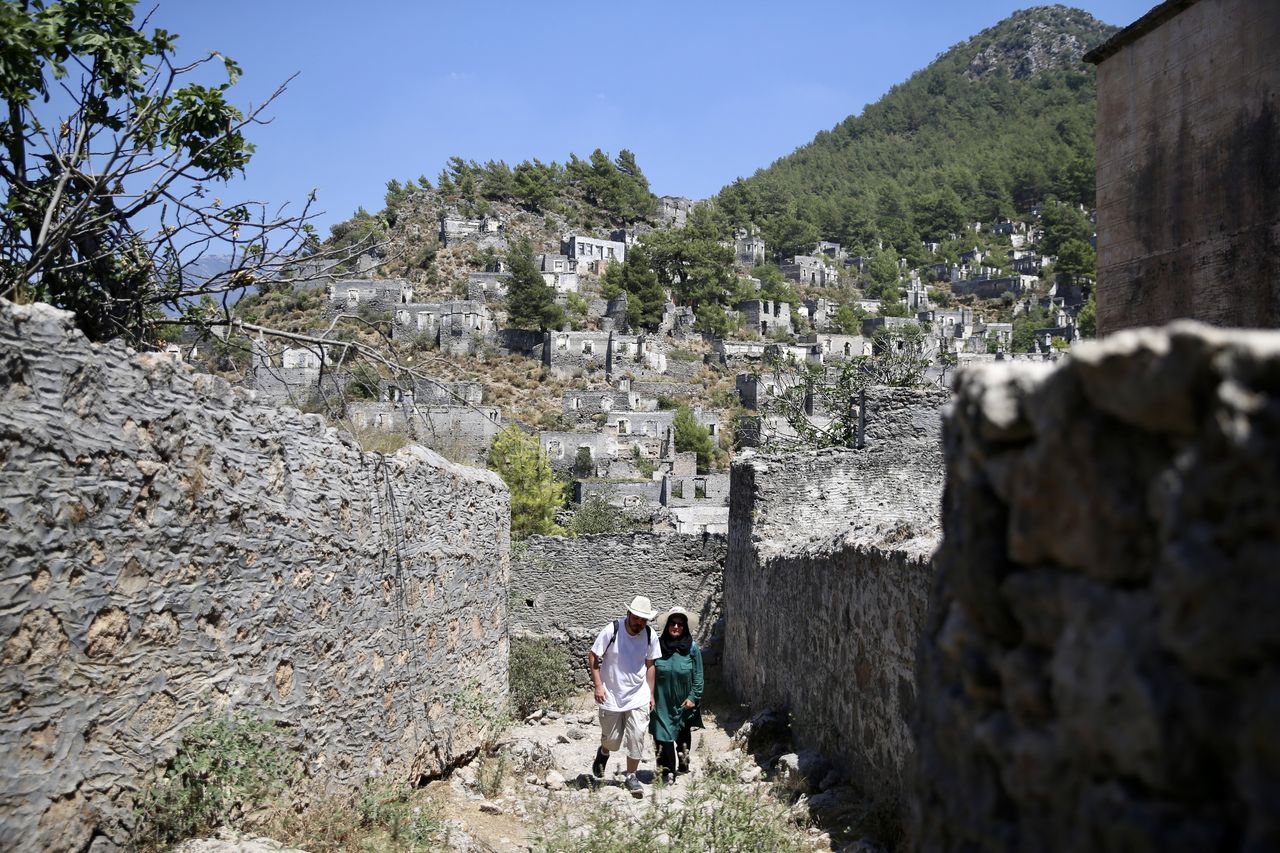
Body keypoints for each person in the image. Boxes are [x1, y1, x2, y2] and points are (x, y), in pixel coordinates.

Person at [588, 595, 661, 798]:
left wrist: (651, 694)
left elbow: (650, 665)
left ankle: (631, 775)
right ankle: (604, 751)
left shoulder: (649, 635)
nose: (639, 623)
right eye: (637, 618)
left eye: (644, 620)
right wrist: (598, 685)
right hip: (611, 694)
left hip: (638, 695)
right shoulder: (613, 629)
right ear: (629, 613)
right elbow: (594, 655)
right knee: (612, 740)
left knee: (637, 735)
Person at [649, 606, 704, 785]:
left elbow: (698, 676)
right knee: (661, 736)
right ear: (667, 625)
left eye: (680, 624)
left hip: (683, 702)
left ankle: (683, 763)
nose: (676, 627)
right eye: (673, 623)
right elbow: (648, 670)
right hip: (661, 701)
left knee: (682, 737)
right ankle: (666, 772)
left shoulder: (692, 648)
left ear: (685, 627)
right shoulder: (656, 646)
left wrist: (693, 697)